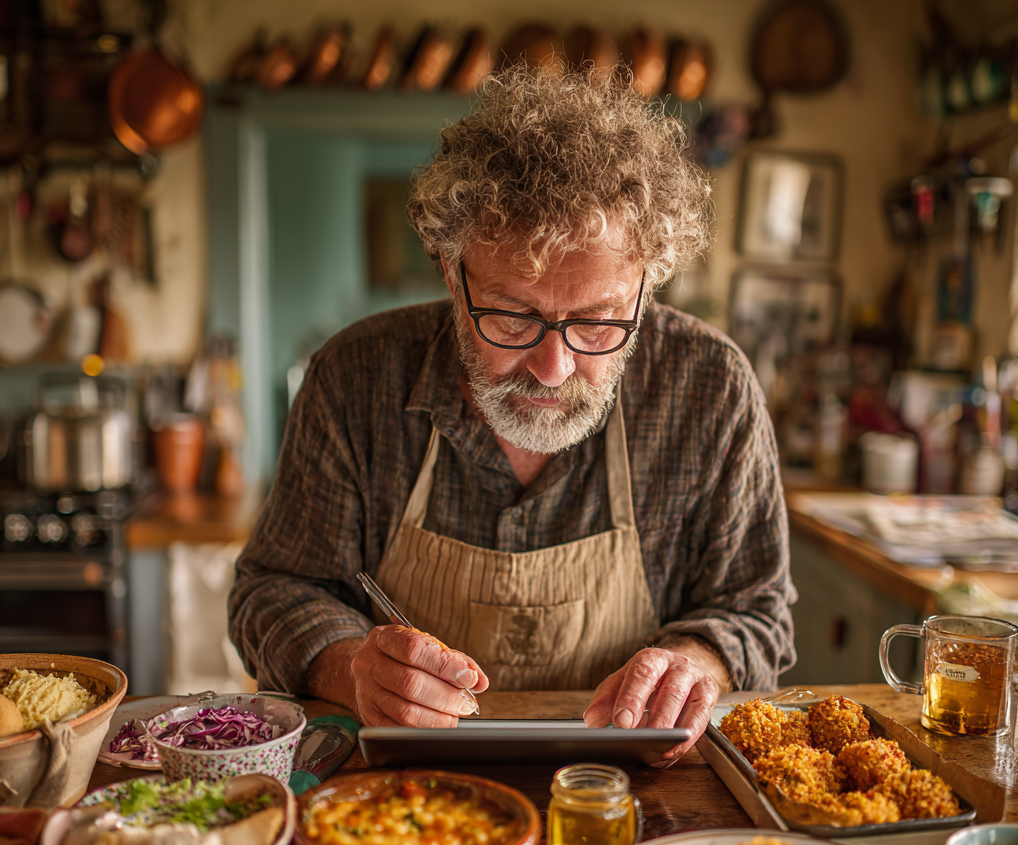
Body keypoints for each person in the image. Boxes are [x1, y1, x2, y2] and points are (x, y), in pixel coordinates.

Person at [228, 64, 796, 763]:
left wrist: (695, 665)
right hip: (401, 793)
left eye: (597, 324)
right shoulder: (355, 377)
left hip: (634, 791)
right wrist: (351, 669)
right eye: (511, 317)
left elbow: (755, 611)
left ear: (649, 285)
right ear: (450, 269)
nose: (553, 369)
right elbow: (273, 590)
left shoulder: (710, 388)